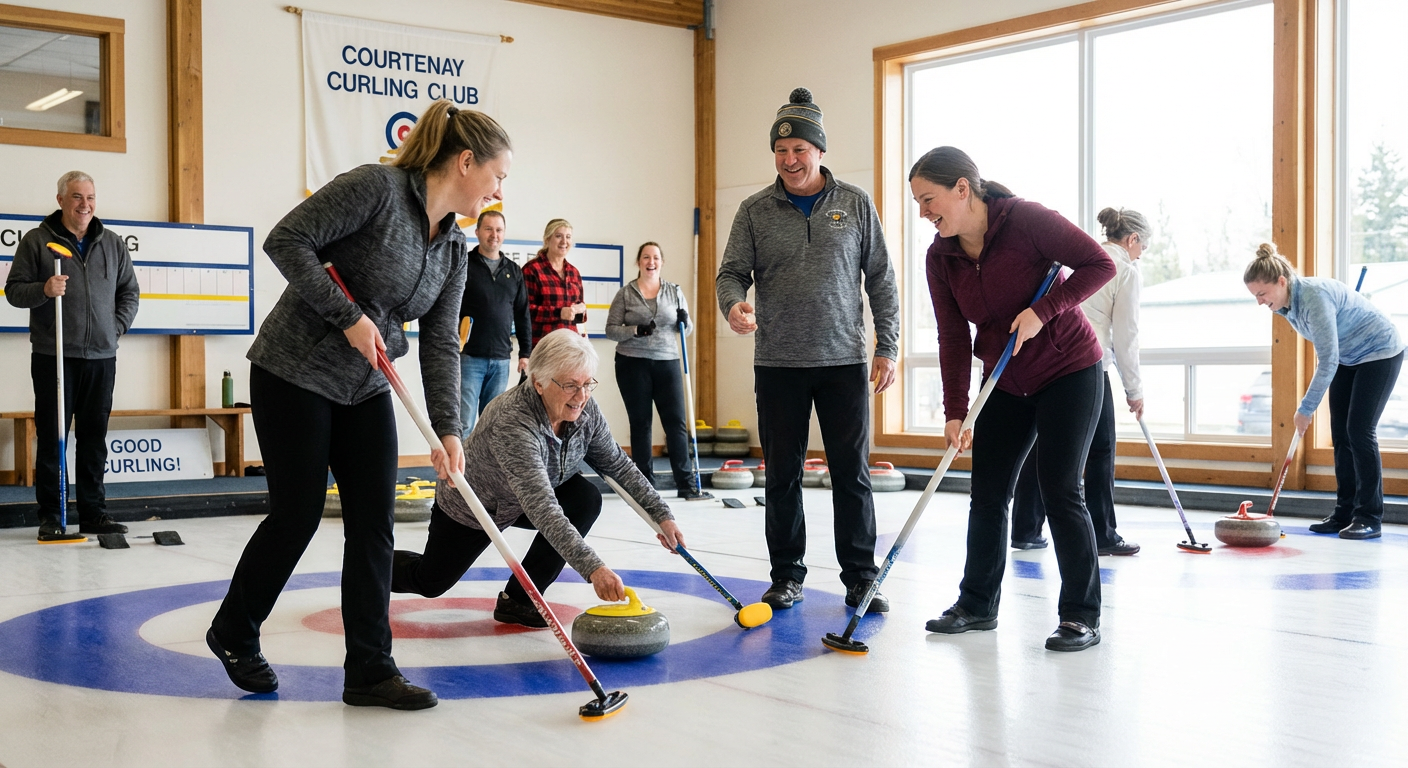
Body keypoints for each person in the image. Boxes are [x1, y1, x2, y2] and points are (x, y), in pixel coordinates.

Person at [206, 100, 511, 710]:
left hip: (365, 386)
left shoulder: (453, 248)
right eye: (498, 175)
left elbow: (442, 344)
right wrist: (347, 317)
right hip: (295, 370)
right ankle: (234, 629)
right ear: (466, 161)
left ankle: (370, 669)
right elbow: (286, 239)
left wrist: (450, 431)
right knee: (296, 515)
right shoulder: (377, 188)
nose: (500, 190)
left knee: (375, 524)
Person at [913, 146, 1114, 652]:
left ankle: (1080, 616)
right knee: (987, 494)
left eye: (928, 199)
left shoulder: (1026, 221)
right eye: (917, 202)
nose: (923, 212)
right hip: (1004, 379)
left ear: (963, 188)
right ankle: (977, 605)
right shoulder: (941, 257)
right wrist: (956, 411)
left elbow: (1099, 263)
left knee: (1060, 488)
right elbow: (953, 336)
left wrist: (1045, 310)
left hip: (1068, 368)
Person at [716, 87, 900, 613]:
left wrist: (887, 345)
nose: (790, 160)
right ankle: (786, 576)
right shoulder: (754, 211)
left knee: (852, 475)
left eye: (799, 149)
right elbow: (731, 273)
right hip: (778, 365)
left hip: (843, 362)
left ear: (819, 151)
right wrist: (733, 304)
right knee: (783, 476)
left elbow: (882, 280)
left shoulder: (856, 204)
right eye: (781, 151)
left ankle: (862, 578)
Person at [393, 329, 686, 624]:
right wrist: (593, 568)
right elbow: (543, 509)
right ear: (539, 383)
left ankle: (520, 600)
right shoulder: (513, 421)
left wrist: (662, 515)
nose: (581, 396)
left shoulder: (585, 411)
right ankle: (370, 567)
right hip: (476, 506)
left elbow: (618, 466)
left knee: (584, 498)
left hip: (529, 496)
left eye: (587, 384)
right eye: (571, 385)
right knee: (430, 581)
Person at [6, 171, 139, 540]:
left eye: (91, 197)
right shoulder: (37, 241)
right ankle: (52, 515)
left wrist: (115, 329)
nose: (85, 205)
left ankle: (94, 513)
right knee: (53, 438)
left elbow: (129, 292)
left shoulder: (111, 243)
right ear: (61, 199)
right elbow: (14, 291)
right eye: (78, 197)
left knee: (94, 439)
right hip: (54, 355)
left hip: (101, 357)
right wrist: (44, 289)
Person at [1011, 207, 1149, 556]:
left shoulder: (1081, 258)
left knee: (1045, 443)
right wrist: (1135, 390)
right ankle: (1103, 534)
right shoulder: (1126, 270)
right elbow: (1126, 335)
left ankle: (1026, 529)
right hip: (1088, 363)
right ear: (1133, 239)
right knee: (1101, 449)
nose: (1142, 254)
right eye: (1143, 247)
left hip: (1048, 360)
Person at [1244, 243, 1404, 539]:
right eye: (1255, 296)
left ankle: (1369, 516)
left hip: (1380, 352)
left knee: (1359, 430)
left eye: (1262, 294)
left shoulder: (1315, 297)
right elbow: (1332, 353)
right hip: (1348, 356)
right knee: (1341, 434)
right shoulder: (1284, 306)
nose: (1259, 302)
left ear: (1281, 281)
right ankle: (1344, 512)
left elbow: (1327, 359)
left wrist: (1305, 409)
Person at [606, 242, 712, 501]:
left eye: (655, 257)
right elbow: (611, 329)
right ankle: (645, 488)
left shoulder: (674, 292)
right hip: (633, 363)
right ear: (638, 262)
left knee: (676, 423)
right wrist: (634, 330)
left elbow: (686, 331)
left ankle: (686, 484)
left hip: (668, 363)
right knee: (641, 424)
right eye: (645, 257)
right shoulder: (626, 294)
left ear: (661, 262)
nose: (650, 262)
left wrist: (685, 321)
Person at [458, 209, 531, 439]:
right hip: (469, 357)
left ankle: (484, 475)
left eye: (498, 230)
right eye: (488, 229)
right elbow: (449, 308)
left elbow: (522, 314)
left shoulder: (514, 271)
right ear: (478, 232)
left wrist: (525, 352)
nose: (494, 235)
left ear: (504, 234)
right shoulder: (464, 265)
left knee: (492, 427)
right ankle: (457, 475)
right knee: (464, 423)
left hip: (501, 359)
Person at [523, 218, 585, 345]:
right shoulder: (532, 270)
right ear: (547, 239)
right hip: (544, 346)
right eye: (558, 236)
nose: (564, 241)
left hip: (571, 346)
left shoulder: (574, 272)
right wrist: (559, 312)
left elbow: (579, 317)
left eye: (568, 237)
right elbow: (525, 310)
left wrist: (581, 309)